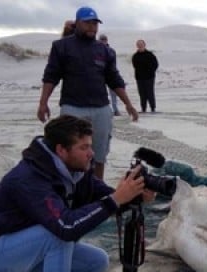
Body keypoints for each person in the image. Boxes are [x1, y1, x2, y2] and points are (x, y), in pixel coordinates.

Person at [0, 115, 152, 272]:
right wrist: (114, 200)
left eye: (90, 146)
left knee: (96, 261)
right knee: (57, 234)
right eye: (84, 147)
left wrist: (134, 195)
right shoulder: (29, 178)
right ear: (61, 150)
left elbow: (108, 198)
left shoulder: (76, 171)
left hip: (15, 254)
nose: (91, 153)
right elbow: (67, 226)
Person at [38, 6, 138, 181]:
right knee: (72, 153)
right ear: (77, 23)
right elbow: (51, 75)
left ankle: (96, 188)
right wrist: (43, 102)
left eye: (95, 23)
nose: (92, 27)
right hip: (73, 108)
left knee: (98, 154)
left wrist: (128, 104)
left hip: (101, 109)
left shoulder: (104, 50)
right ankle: (72, 189)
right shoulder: (61, 46)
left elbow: (114, 79)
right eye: (87, 23)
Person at [131, 39, 159, 113]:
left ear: (144, 45)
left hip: (149, 77)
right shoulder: (135, 56)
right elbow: (134, 65)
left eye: (141, 44)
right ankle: (143, 109)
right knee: (142, 94)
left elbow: (155, 64)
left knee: (150, 93)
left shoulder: (150, 54)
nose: (140, 46)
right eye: (138, 45)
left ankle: (153, 108)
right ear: (137, 46)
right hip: (139, 78)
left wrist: (150, 71)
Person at [98, 34, 121, 116]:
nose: (103, 41)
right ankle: (105, 110)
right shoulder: (96, 50)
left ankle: (115, 110)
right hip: (100, 75)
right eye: (101, 40)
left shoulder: (111, 51)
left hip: (110, 74)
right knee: (102, 93)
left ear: (106, 41)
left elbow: (113, 63)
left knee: (113, 93)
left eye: (104, 40)